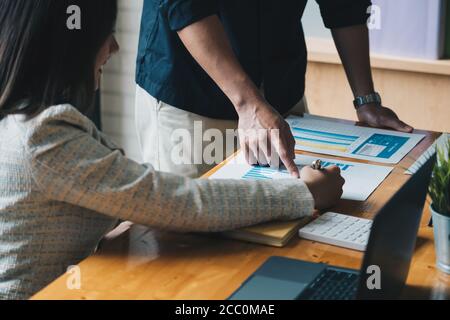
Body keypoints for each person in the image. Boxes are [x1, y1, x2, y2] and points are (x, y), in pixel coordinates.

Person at [0, 0, 344, 300]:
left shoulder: (28, 120)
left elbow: (135, 195)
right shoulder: (43, 136)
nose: (116, 47)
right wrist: (302, 193)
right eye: (105, 33)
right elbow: (180, 202)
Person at [135, 0, 414, 178]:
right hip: (194, 96)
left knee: (292, 224)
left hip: (279, 92)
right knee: (194, 244)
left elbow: (345, 4)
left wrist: (365, 100)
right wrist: (249, 104)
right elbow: (186, 6)